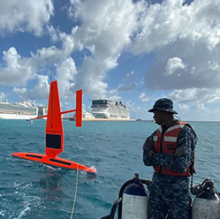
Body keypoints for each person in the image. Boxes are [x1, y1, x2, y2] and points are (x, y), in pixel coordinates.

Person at [142, 98, 197, 219]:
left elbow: (180, 166)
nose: (154, 117)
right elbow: (146, 159)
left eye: (155, 113)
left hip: (178, 191)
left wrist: (155, 155)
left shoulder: (185, 132)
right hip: (157, 188)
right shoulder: (157, 133)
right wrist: (166, 158)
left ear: (163, 112)